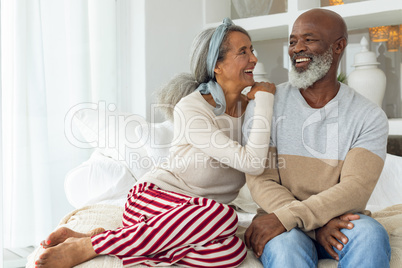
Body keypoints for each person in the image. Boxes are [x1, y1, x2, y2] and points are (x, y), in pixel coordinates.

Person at [35, 18, 276, 268]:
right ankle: (89, 246)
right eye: (243, 52)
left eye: (252, 50)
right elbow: (253, 162)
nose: (254, 59)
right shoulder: (192, 108)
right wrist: (266, 98)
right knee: (223, 216)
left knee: (230, 252)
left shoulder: (251, 109)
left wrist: (260, 104)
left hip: (196, 219)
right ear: (217, 65)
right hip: (154, 199)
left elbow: (260, 162)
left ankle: (108, 239)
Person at [244, 8, 391, 268]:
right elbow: (260, 179)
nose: (296, 48)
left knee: (369, 236)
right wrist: (307, 224)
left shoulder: (369, 116)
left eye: (309, 39)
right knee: (286, 247)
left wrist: (298, 218)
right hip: (280, 219)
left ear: (339, 46)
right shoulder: (266, 104)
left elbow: (355, 188)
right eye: (292, 41)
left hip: (338, 219)